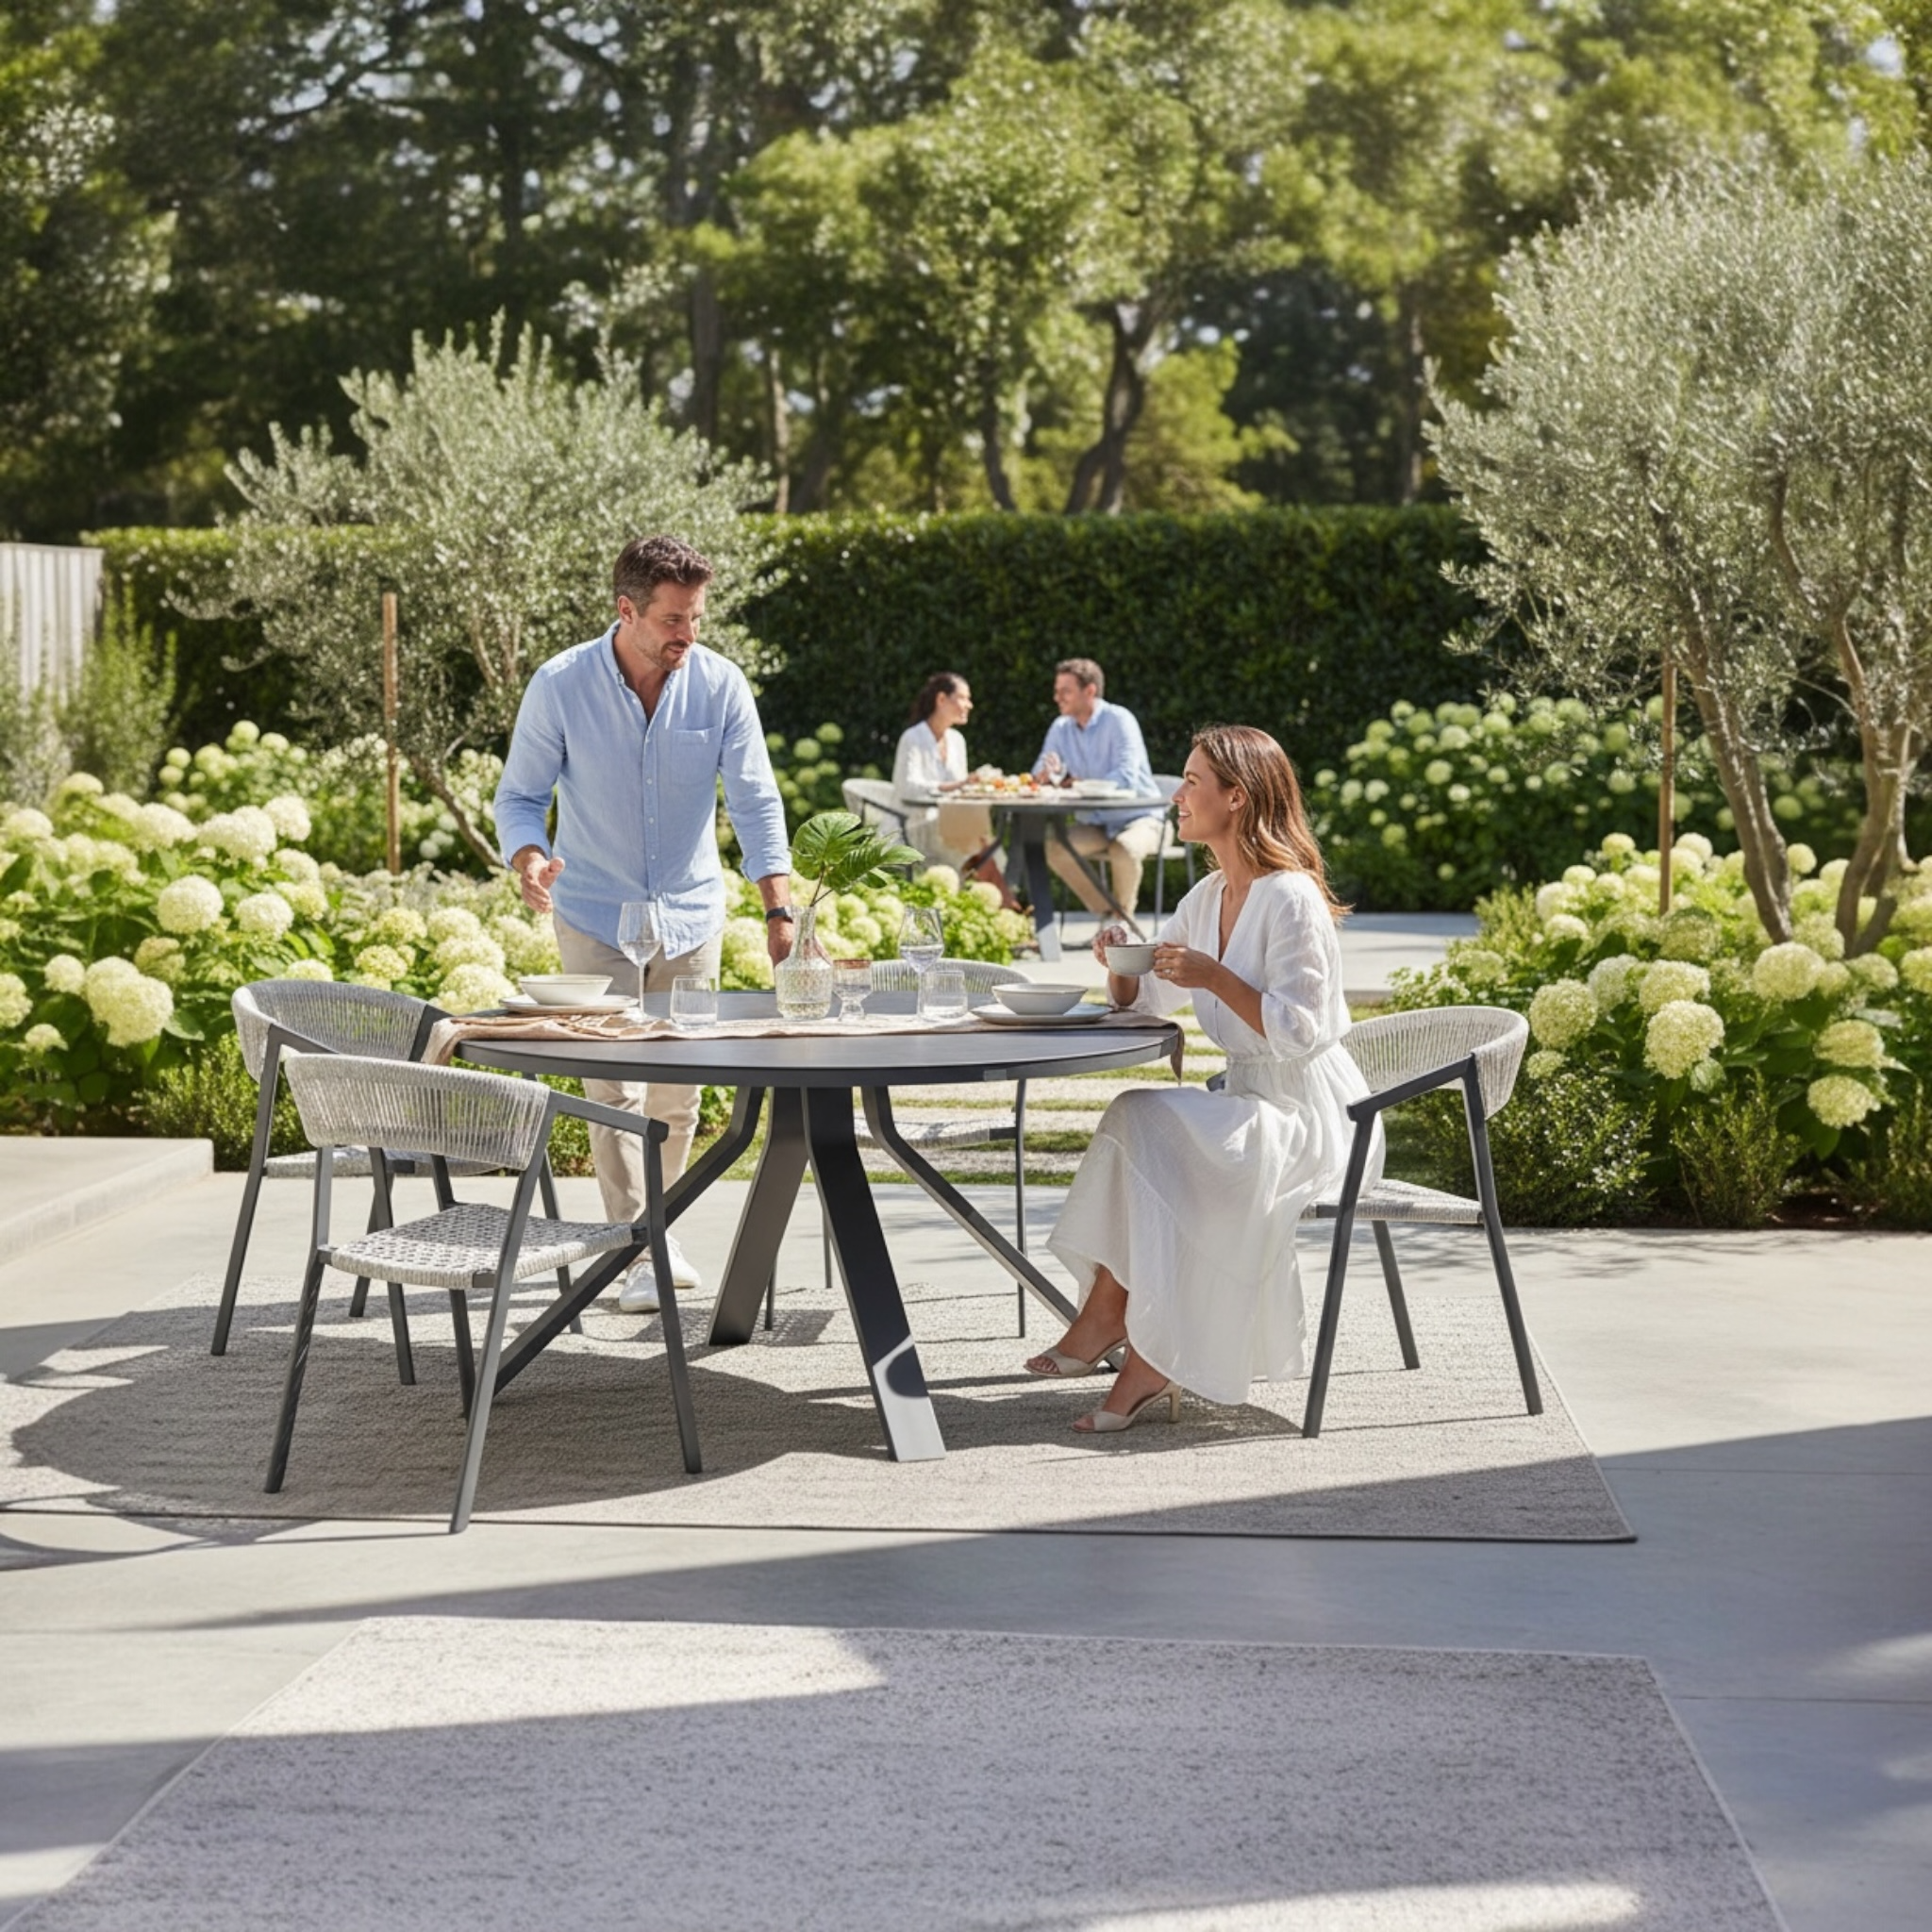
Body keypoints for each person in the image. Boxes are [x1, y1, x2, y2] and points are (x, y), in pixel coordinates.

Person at [1023, 724, 1381, 1430]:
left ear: (1237, 798)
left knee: (1151, 1123)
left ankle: (1129, 1339)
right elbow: (1155, 998)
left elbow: (1302, 1029)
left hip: (1316, 1118)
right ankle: (1127, 1330)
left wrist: (1215, 976)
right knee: (1141, 1120)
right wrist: (1122, 968)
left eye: (1190, 782)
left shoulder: (1292, 898)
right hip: (1250, 1102)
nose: (1176, 796)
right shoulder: (1210, 895)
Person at [494, 534, 796, 1313]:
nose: (687, 634)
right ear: (626, 611)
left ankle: (659, 1230)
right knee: (614, 1090)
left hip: (691, 914)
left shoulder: (719, 685)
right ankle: (636, 1250)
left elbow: (756, 800)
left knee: (680, 1096)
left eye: (696, 616)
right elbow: (520, 797)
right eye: (672, 618)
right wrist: (529, 857)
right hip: (593, 910)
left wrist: (777, 906)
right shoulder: (561, 685)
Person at [1031, 658, 1164, 919]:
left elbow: (1126, 776)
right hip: (1097, 823)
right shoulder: (1060, 728)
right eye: (1057, 690)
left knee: (1123, 849)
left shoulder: (1119, 720)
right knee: (1054, 848)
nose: (1056, 697)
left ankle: (1122, 924)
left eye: (1065, 691)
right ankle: (1111, 915)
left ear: (1089, 691)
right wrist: (1047, 775)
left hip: (1141, 819)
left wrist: (1078, 784)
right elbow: (1039, 773)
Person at [890, 672, 1014, 901]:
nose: (970, 704)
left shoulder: (957, 741)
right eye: (964, 698)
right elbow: (908, 788)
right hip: (917, 824)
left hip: (951, 822)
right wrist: (958, 785)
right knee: (982, 847)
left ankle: (1004, 909)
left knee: (988, 844)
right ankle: (1009, 911)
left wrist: (976, 786)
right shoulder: (913, 738)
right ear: (941, 699)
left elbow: (960, 792)